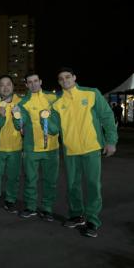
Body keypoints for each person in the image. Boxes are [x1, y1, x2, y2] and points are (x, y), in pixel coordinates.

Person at [48, 67, 118, 238]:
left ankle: (92, 220)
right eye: (61, 79)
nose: (65, 81)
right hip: (70, 150)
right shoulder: (56, 103)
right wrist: (45, 121)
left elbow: (107, 117)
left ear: (74, 77)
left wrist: (111, 141)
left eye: (67, 77)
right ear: (59, 82)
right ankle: (76, 215)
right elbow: (54, 129)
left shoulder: (91, 93)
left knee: (93, 185)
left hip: (92, 148)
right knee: (73, 186)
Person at [13, 73, 60, 221]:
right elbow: (19, 126)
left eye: (35, 81)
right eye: (29, 82)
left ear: (40, 81)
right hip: (31, 148)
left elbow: (58, 124)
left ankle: (47, 208)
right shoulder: (22, 103)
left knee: (50, 181)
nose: (33, 84)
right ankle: (30, 207)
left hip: (51, 148)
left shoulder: (53, 98)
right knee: (30, 180)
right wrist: (17, 117)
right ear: (26, 85)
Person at [0, 75, 23, 214]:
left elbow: (22, 125)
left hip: (15, 147)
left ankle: (10, 200)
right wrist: (0, 115)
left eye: (8, 84)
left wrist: (17, 116)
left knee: (13, 177)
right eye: (2, 84)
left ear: (13, 86)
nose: (5, 87)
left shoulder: (21, 102)